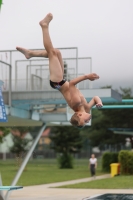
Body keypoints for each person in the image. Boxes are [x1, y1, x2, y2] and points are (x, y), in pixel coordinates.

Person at [16, 13, 103, 128]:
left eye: (84, 121)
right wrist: (99, 102)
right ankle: (30, 53)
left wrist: (87, 76)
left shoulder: (76, 103)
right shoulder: (86, 108)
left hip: (57, 82)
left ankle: (44, 26)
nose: (88, 121)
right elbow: (95, 97)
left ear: (79, 114)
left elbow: (72, 83)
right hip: (61, 81)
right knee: (57, 52)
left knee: (52, 52)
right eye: (86, 122)